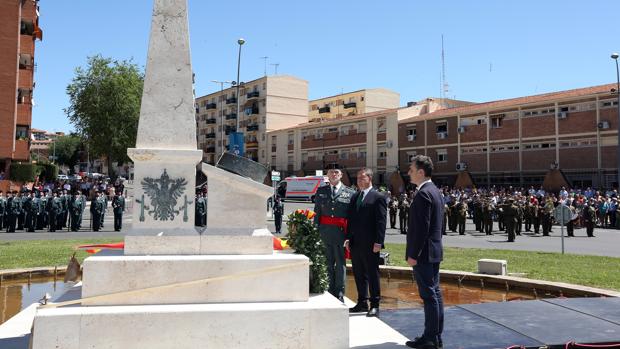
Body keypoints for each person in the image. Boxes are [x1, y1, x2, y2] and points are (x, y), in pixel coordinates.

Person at [405, 155, 444, 349]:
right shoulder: (435, 191)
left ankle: (430, 338)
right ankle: (434, 336)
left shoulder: (423, 194)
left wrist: (413, 254)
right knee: (435, 294)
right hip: (433, 251)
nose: (409, 173)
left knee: (429, 296)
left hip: (424, 254)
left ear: (421, 172)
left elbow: (421, 229)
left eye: (411, 170)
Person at [345, 168, 387, 317]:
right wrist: (348, 238)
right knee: (358, 273)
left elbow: (381, 222)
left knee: (372, 273)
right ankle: (362, 302)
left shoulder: (378, 197)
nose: (359, 181)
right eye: (357, 178)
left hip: (371, 244)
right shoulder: (355, 196)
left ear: (370, 178)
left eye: (362, 178)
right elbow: (351, 220)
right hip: (356, 243)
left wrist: (379, 242)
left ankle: (375, 304)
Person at [314, 167, 354, 302]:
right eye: (331, 172)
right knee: (327, 263)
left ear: (341, 175)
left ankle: (340, 292)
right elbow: (317, 215)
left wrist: (349, 237)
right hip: (324, 233)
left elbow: (351, 219)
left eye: (336, 172)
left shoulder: (350, 193)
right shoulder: (321, 191)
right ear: (327, 175)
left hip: (341, 235)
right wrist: (316, 233)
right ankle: (329, 290)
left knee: (341, 265)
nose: (334, 174)